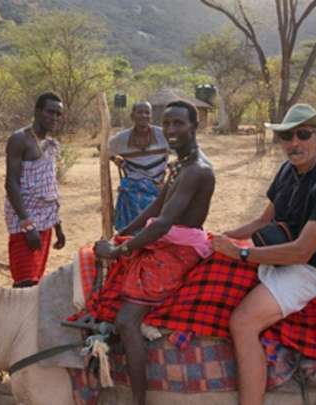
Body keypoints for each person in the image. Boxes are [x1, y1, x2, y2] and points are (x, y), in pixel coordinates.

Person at [212, 104, 316, 405]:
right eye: (286, 136)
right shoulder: (287, 171)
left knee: (242, 322)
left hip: (307, 269)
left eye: (303, 135)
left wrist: (240, 253)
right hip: (276, 252)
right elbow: (263, 222)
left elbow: (302, 251)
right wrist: (221, 237)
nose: (294, 143)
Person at [94, 100, 215, 405]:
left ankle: (138, 400)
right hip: (166, 239)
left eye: (179, 124)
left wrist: (119, 250)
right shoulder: (180, 165)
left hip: (178, 250)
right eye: (168, 124)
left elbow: (162, 223)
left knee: (125, 320)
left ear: (194, 126)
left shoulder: (197, 170)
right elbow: (154, 207)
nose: (172, 130)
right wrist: (122, 234)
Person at [4, 92, 67, 288]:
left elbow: (49, 187)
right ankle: (17, 318)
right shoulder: (20, 140)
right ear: (37, 111)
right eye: (50, 112)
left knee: (35, 279)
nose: (54, 117)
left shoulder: (49, 143)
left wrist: (58, 226)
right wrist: (27, 225)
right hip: (25, 220)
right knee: (25, 281)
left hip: (46, 221)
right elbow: (11, 183)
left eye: (58, 114)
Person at [108, 101, 169, 232]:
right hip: (133, 188)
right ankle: (131, 239)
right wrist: (115, 158)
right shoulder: (122, 138)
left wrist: (172, 169)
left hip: (157, 187)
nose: (144, 115)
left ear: (151, 117)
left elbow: (184, 152)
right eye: (140, 112)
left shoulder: (163, 135)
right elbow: (104, 149)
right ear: (132, 116)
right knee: (131, 197)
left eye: (147, 112)